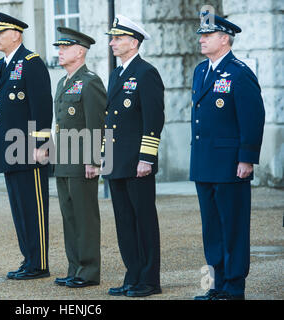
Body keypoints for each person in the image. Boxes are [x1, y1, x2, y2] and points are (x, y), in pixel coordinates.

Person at [191, 13, 265, 300]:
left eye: (207, 36)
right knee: (211, 230)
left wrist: (247, 158)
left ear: (225, 39)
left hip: (229, 165)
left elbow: (252, 117)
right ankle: (217, 284)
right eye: (202, 35)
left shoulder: (239, 72)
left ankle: (234, 287)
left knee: (232, 228)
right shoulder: (201, 70)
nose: (201, 39)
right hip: (204, 164)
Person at [102, 14, 164, 298]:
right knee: (124, 222)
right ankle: (132, 275)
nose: (113, 43)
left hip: (137, 162)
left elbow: (154, 119)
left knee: (143, 220)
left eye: (118, 38)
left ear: (134, 41)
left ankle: (149, 279)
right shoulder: (117, 74)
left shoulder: (146, 72)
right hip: (116, 160)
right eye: (112, 38)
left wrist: (147, 158)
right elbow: (109, 120)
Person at [0, 12, 53, 280]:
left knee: (34, 207)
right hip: (9, 149)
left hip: (29, 150)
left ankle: (39, 263)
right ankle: (28, 259)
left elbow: (41, 106)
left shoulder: (31, 63)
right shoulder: (2, 65)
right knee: (19, 207)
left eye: (0, 33)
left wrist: (41, 144)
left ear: (16, 34)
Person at [51, 27, 106, 288]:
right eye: (59, 48)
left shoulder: (91, 81)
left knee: (85, 217)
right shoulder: (63, 82)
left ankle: (89, 271)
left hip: (83, 160)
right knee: (69, 216)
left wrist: (94, 159)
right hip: (64, 159)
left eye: (65, 48)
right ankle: (75, 268)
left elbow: (97, 123)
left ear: (80, 51)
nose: (60, 52)